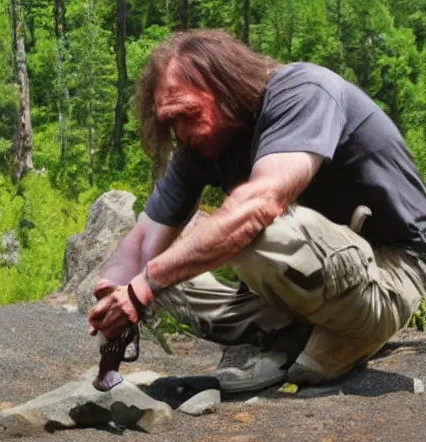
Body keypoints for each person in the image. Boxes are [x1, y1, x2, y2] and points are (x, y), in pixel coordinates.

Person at [88, 29, 426, 392]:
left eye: (189, 114)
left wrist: (145, 285)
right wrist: (117, 297)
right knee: (162, 266)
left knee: (252, 228)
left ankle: (339, 336)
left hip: (390, 273)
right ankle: (299, 337)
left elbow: (261, 205)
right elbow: (142, 242)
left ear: (225, 85)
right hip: (305, 282)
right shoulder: (201, 147)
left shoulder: (304, 92)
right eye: (171, 122)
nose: (182, 132)